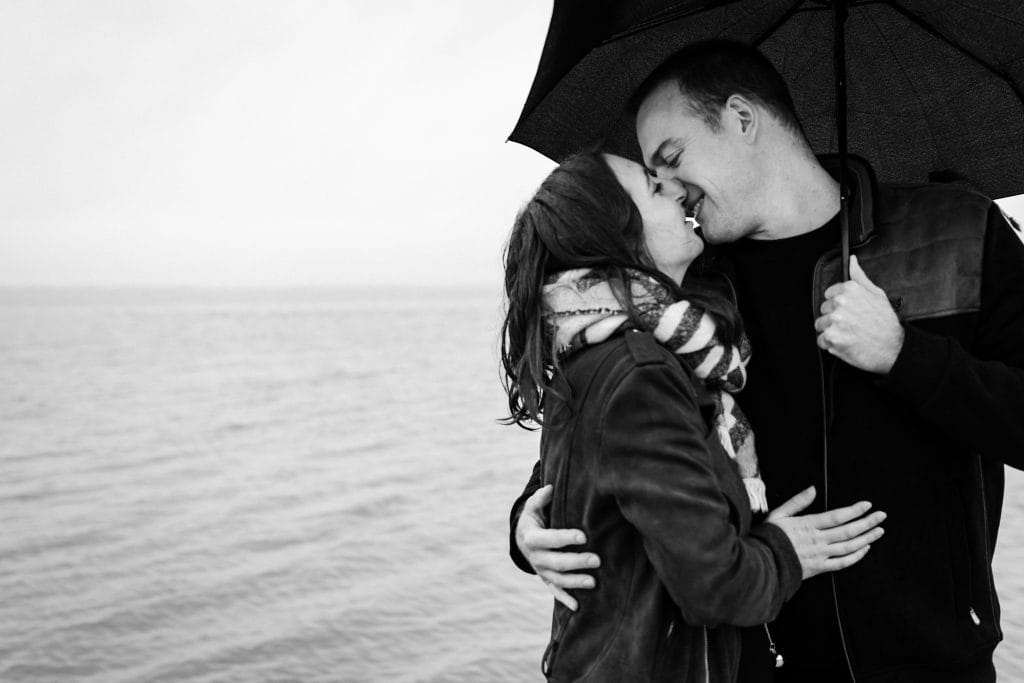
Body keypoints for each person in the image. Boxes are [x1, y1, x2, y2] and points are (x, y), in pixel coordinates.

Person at [510, 40, 1024, 682]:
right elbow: (611, 433)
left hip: (935, 663)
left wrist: (904, 356)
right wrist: (530, 525)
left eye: (671, 160)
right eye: (654, 178)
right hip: (751, 664)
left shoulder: (956, 230)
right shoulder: (689, 293)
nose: (670, 190)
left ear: (742, 118)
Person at [501, 149, 886, 681]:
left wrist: (528, 520)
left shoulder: (593, 343)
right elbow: (716, 588)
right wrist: (784, 552)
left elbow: (578, 478)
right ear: (618, 232)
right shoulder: (639, 368)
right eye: (654, 187)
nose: (677, 190)